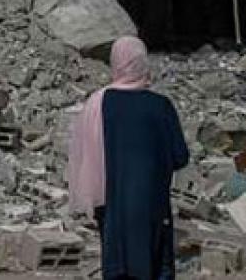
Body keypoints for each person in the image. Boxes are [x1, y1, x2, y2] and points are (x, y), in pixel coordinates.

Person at [69, 35, 189, 280]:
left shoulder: (98, 103)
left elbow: (86, 159)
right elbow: (180, 157)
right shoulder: (160, 106)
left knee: (118, 269)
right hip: (152, 210)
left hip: (111, 210)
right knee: (157, 267)